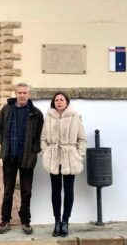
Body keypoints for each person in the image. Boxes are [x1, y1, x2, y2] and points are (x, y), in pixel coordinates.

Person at [0, 82, 44, 235]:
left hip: (27, 157)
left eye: (25, 93)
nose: (22, 95)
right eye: (19, 92)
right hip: (10, 156)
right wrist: (5, 143)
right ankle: (6, 220)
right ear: (15, 93)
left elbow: (40, 135)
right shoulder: (7, 109)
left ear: (29, 94)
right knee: (8, 190)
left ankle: (25, 221)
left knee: (26, 191)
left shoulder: (36, 113)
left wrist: (34, 149)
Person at [41, 91, 87, 237]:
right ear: (53, 102)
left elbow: (82, 139)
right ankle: (57, 222)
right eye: (56, 100)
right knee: (55, 191)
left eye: (61, 100)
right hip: (54, 158)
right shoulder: (49, 116)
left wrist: (78, 156)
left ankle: (66, 221)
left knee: (68, 191)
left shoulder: (75, 116)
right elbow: (43, 138)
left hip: (70, 158)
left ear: (67, 102)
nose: (59, 102)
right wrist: (46, 153)